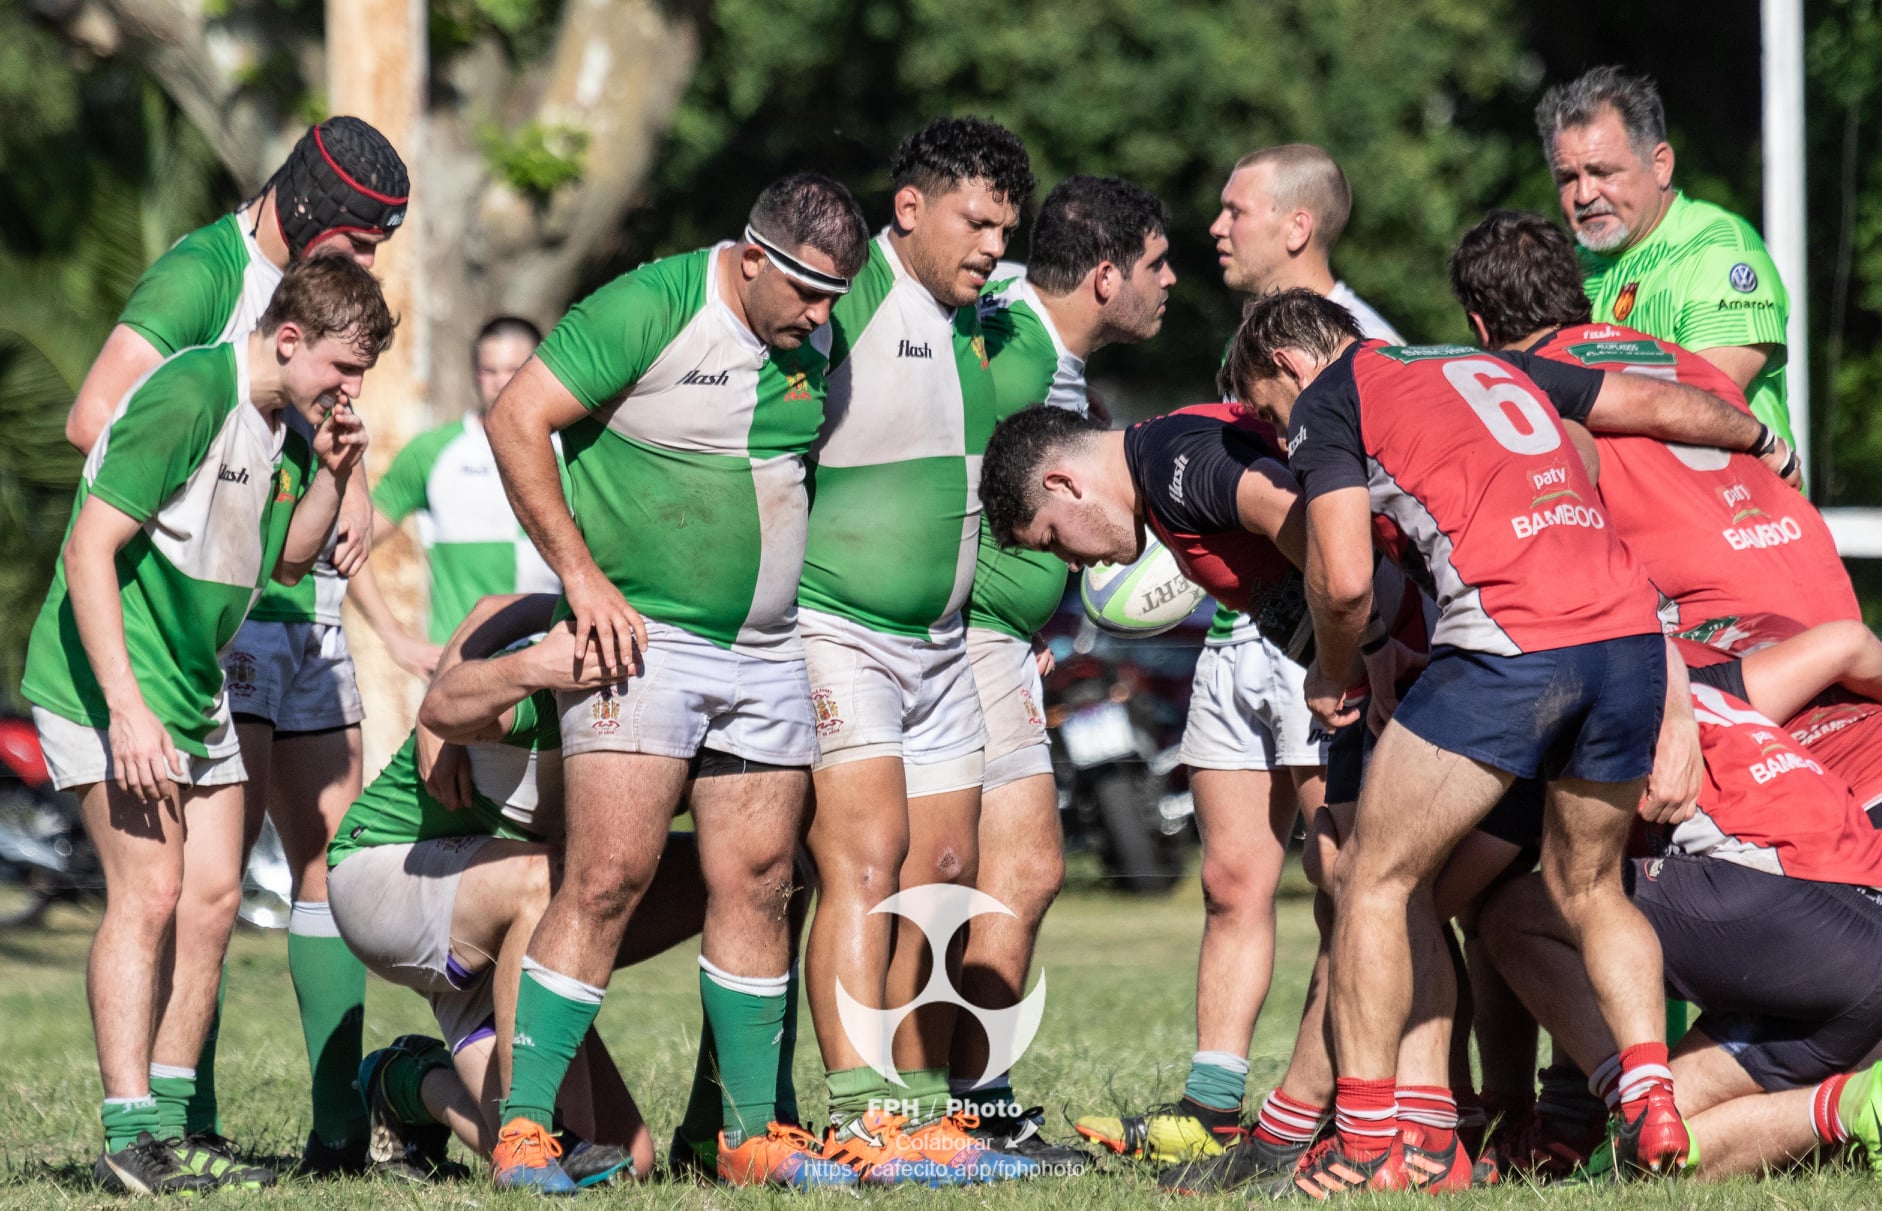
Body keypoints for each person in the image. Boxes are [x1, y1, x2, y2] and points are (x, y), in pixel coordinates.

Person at [1223, 287, 1794, 1195]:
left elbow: (1341, 582)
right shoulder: (1478, 359)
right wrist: (1759, 437)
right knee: (1589, 885)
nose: (1276, 428)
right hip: (1631, 644)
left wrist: (1336, 670)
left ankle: (1373, 1138)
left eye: (1266, 407)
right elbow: (1639, 401)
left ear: (1289, 363)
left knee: (1373, 874)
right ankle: (1652, 1100)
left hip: (1515, 643)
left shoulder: (1332, 393)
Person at [483, 173, 874, 1192]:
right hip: (641, 645)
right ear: (751, 259)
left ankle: (748, 1135)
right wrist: (581, 578)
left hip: (766, 652)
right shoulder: (648, 305)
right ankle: (524, 1130)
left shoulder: (814, 336)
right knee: (606, 876)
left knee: (757, 878)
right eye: (807, 290)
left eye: (839, 293)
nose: (824, 315)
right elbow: (516, 418)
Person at [61, 115, 410, 1177]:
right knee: (177, 883)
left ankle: (335, 1125)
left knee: (324, 855)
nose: (359, 267)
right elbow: (95, 423)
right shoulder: (204, 278)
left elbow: (298, 453)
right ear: (307, 213)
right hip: (197, 613)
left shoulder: (316, 316)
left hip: (285, 592)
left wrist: (339, 481)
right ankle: (177, 1120)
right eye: (353, 246)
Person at [1077, 143, 1405, 1168]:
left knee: (1343, 873)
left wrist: (1343, 648)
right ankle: (1212, 1103)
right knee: (1230, 876)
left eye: (1235, 210)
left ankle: (1337, 1105)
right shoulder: (1251, 346)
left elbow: (1361, 533)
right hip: (1237, 642)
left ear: (1297, 226)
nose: (1213, 229)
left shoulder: (1363, 346)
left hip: (1326, 639)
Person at [790, 117, 1039, 1185]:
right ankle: (857, 1113)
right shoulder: (844, 299)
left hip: (943, 649)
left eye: (1004, 228)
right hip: (837, 629)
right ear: (909, 209)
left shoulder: (981, 320)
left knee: (939, 874)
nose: (990, 244)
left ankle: (916, 1107)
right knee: (862, 864)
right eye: (974, 222)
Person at [326, 593, 729, 1189]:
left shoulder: (692, 696)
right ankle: (531, 1131)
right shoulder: (572, 680)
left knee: (623, 1161)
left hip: (502, 912)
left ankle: (405, 1082)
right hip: (385, 875)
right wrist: (523, 671)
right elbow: (458, 683)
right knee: (553, 875)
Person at [952, 174, 1173, 1165]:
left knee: (1015, 869)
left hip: (1003, 641)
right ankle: (952, 1101)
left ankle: (970, 1096)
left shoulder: (1050, 353)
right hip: (952, 643)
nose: (1170, 281)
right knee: (990, 870)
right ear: (1103, 274)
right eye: (1157, 265)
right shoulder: (1004, 341)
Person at [1482, 670, 1882, 1181]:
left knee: (1517, 912)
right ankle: (1857, 1105)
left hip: (1790, 901)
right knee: (1647, 1159)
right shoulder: (1702, 673)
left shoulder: (1593, 664)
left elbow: (1471, 862)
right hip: (1858, 942)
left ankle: (1631, 1103)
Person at [1448, 209, 1839, 632]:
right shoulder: (1687, 362)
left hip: (1728, 632)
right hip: (1825, 599)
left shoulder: (1527, 393)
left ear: (1480, 326)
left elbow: (1565, 495)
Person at [1538, 65, 1796, 447]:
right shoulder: (1567, 270)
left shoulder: (1718, 251)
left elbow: (1703, 412)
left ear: (1660, 165)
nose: (1584, 195)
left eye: (1602, 172)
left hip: (1731, 504)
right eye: (1567, 178)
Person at [348, 318, 561, 678]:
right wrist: (395, 638)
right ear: (476, 375)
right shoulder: (433, 452)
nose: (501, 381)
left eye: (514, 369)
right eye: (489, 370)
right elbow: (349, 542)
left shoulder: (575, 452)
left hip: (555, 665)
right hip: (462, 674)